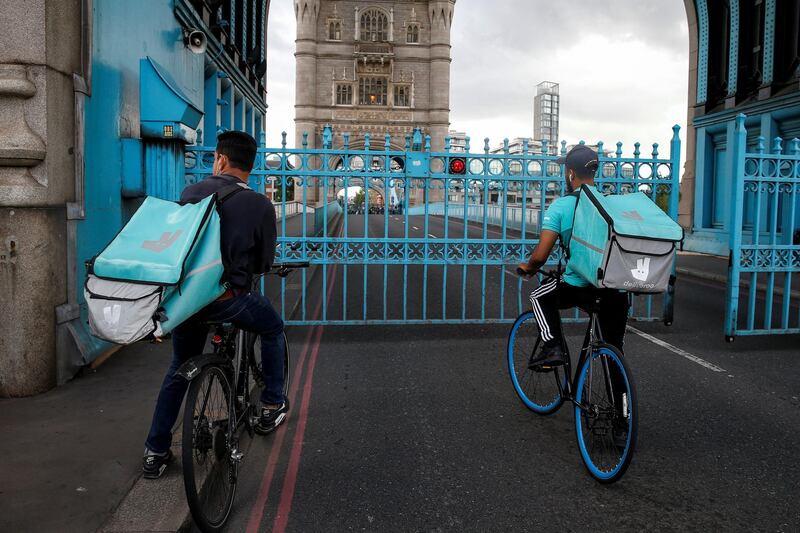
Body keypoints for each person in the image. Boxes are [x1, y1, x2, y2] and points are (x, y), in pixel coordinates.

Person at [142, 131, 287, 479]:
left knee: (179, 366)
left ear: (220, 158)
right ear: (250, 166)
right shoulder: (260, 206)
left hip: (189, 302)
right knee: (272, 327)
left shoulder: (191, 193)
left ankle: (155, 451)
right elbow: (264, 262)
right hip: (228, 301)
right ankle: (272, 404)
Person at [517, 144, 629, 369]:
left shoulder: (561, 206)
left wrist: (528, 268)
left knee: (539, 297)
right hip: (616, 288)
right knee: (614, 351)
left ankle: (552, 347)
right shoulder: (609, 203)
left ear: (570, 173)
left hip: (581, 285)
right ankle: (622, 404)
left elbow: (540, 256)